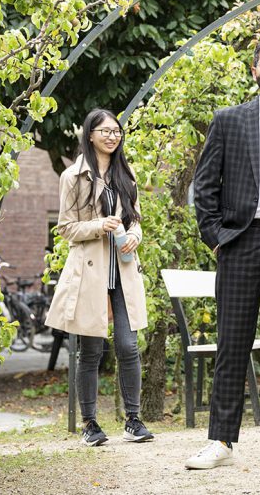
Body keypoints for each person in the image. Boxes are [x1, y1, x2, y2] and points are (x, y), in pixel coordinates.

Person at [187, 38, 260, 470]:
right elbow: (204, 186)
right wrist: (216, 238)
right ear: (254, 71)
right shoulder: (229, 120)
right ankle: (220, 440)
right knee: (232, 343)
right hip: (240, 241)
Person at [45, 108, 154, 447]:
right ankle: (90, 424)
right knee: (91, 350)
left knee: (128, 346)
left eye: (116, 131)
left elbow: (135, 219)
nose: (112, 136)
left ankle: (133, 420)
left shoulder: (126, 174)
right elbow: (65, 228)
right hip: (90, 272)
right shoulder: (72, 176)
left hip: (122, 269)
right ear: (90, 135)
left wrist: (134, 234)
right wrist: (99, 225)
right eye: (105, 131)